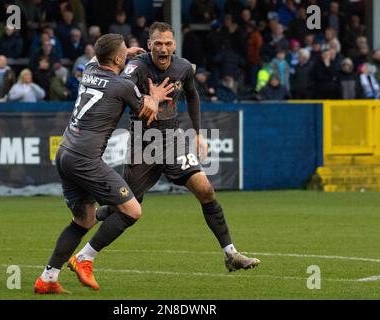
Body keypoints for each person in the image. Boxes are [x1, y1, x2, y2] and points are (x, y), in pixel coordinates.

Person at [97, 22, 260, 272]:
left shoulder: (183, 67)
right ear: (149, 45)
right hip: (144, 142)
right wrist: (147, 99)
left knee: (205, 190)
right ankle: (93, 229)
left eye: (168, 43)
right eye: (158, 44)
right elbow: (117, 89)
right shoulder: (137, 67)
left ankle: (231, 254)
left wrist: (197, 133)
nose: (163, 49)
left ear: (174, 45)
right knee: (130, 205)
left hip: (173, 139)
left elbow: (193, 96)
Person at [33, 33, 172, 294]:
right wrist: (155, 96)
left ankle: (48, 278)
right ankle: (85, 259)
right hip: (85, 159)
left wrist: (123, 52)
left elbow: (99, 55)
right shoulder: (122, 85)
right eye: (124, 53)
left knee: (83, 220)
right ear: (119, 58)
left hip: (64, 154)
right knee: (132, 210)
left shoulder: (88, 69)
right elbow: (148, 113)